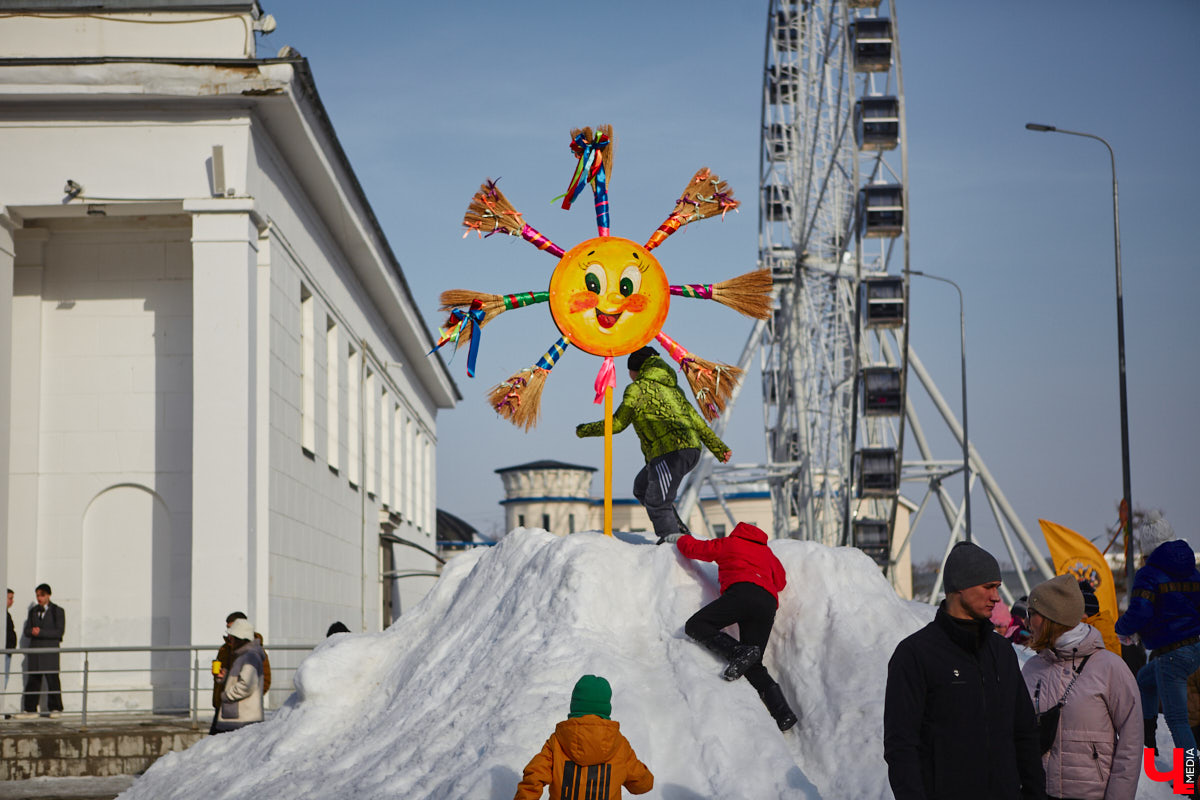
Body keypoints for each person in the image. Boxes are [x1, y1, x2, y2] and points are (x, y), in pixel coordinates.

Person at [884, 541, 1046, 800]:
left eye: (997, 588)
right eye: (988, 587)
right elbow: (901, 746)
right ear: (959, 585)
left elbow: (1024, 734)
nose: (996, 597)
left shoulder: (1002, 652)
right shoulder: (914, 654)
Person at [576, 346, 730, 542]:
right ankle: (678, 530)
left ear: (636, 369)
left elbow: (617, 424)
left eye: (629, 371)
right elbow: (696, 420)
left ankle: (672, 543)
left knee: (657, 501)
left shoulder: (636, 389)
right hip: (689, 450)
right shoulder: (672, 389)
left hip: (671, 451)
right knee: (641, 487)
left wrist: (584, 430)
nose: (629, 376)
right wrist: (719, 448)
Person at [664, 522, 797, 731]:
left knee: (696, 625)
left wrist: (679, 539)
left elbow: (697, 549)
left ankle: (738, 651)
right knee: (753, 664)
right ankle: (783, 714)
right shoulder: (768, 554)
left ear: (738, 532)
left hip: (742, 593)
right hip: (767, 603)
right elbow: (780, 582)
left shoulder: (731, 543)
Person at [1021, 574, 1141, 800]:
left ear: (1050, 617)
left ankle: (1189, 783)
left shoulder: (1109, 667)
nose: (1026, 622)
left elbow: (1131, 742)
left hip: (1092, 794)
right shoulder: (1031, 668)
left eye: (1031, 614)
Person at [1114, 513, 1200, 759]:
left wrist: (1122, 628)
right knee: (1144, 679)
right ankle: (1148, 739)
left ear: (1147, 547)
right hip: (1194, 648)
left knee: (1178, 721)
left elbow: (1140, 611)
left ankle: (1191, 781)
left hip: (1170, 655)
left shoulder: (1148, 574)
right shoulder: (1192, 572)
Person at [513, 674, 653, 800]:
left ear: (574, 706)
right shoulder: (620, 746)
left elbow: (534, 777)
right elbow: (643, 785)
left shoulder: (557, 742)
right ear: (606, 709)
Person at [210, 611, 271, 734]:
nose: (229, 635)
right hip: (226, 709)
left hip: (240, 714)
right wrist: (223, 677)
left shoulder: (251, 655)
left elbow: (249, 684)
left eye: (232, 630)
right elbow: (237, 678)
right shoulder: (227, 649)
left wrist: (227, 696)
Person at [18, 583, 65, 719]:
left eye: (42, 595)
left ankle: (56, 707)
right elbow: (27, 630)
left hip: (50, 652)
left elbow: (59, 632)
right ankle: (30, 709)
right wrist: (32, 631)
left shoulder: (57, 611)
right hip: (36, 652)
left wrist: (41, 632)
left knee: (52, 679)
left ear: (48, 595)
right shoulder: (33, 611)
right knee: (33, 680)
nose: (39, 598)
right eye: (37, 595)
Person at [4, 589, 15, 719]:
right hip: (4, 653)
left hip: (7, 652)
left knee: (4, 681)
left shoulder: (6, 614)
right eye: (10, 598)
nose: (12, 601)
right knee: (3, 680)